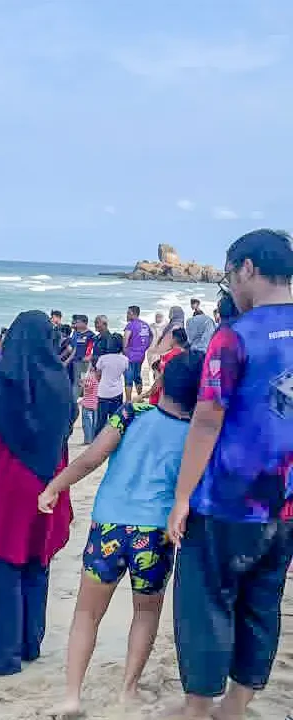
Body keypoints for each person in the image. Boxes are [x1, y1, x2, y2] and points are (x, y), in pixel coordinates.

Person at [166, 229, 293, 720]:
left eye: (229, 272)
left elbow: (206, 419)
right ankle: (236, 706)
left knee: (204, 600)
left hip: (228, 497)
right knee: (264, 597)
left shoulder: (235, 335)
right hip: (285, 500)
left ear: (246, 268)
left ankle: (200, 706)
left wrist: (182, 496)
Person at [37, 352, 204, 717]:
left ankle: (71, 695)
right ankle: (127, 690)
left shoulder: (131, 414)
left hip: (108, 527)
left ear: (163, 381)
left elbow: (90, 459)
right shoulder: (199, 435)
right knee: (145, 613)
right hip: (155, 535)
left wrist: (54, 487)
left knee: (86, 614)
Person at [0, 310, 75, 676]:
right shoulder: (61, 386)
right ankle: (30, 644)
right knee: (35, 562)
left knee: (1, 566)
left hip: (3, 488)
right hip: (48, 485)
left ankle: (0, 657)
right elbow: (63, 438)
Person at [143, 327, 188, 405]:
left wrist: (141, 396)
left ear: (174, 339)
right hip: (180, 397)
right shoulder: (188, 355)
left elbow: (159, 382)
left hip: (163, 398)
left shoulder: (168, 356)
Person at [94, 334, 128, 436]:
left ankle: (97, 444)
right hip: (117, 392)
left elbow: (98, 375)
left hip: (103, 392)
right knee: (116, 421)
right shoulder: (124, 359)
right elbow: (124, 373)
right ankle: (114, 442)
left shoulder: (103, 358)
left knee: (100, 421)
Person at [123, 305, 154, 402]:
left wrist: (124, 350)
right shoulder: (145, 324)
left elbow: (126, 338)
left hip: (130, 355)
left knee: (128, 378)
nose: (127, 315)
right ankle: (140, 397)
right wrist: (145, 347)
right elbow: (151, 336)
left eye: (128, 313)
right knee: (137, 375)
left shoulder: (130, 325)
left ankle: (128, 401)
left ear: (132, 314)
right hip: (140, 355)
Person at [68, 315, 96, 399]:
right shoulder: (75, 333)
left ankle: (74, 401)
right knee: (74, 380)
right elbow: (71, 344)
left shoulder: (90, 335)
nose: (76, 324)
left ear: (84, 323)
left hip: (82, 362)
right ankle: (79, 396)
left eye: (78, 322)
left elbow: (92, 349)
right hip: (72, 360)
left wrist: (88, 358)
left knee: (79, 381)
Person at [80, 366, 99, 445]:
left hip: (87, 403)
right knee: (95, 423)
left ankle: (88, 440)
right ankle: (94, 438)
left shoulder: (90, 377)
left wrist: (82, 383)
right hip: (96, 403)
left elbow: (87, 387)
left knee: (87, 423)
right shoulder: (100, 378)